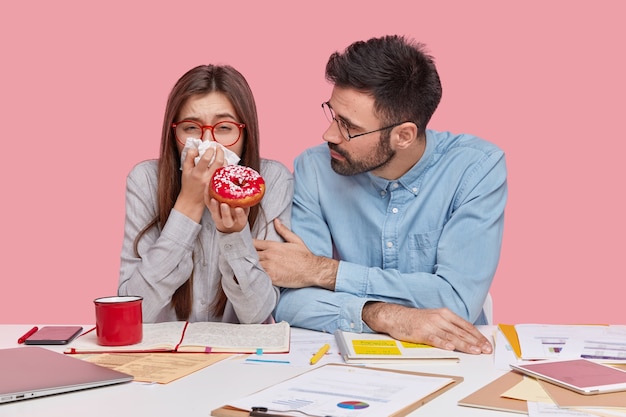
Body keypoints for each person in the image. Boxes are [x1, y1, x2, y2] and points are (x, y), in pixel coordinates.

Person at [255, 35, 507, 354]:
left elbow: (456, 301)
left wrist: (324, 271)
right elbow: (292, 301)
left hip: (453, 352)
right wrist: (382, 315)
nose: (329, 135)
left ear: (403, 136)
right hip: (341, 359)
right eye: (332, 115)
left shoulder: (476, 168)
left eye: (349, 126)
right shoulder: (314, 168)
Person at [118, 65, 293, 324]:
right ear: (173, 133)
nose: (208, 142)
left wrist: (234, 235)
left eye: (224, 128)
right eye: (191, 128)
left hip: (239, 358)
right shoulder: (145, 180)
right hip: (165, 357)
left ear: (245, 133)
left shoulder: (273, 179)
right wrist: (187, 206)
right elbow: (132, 312)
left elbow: (258, 314)